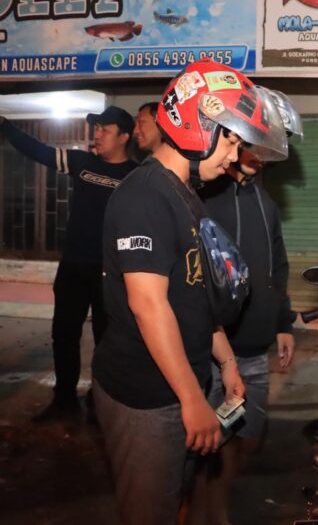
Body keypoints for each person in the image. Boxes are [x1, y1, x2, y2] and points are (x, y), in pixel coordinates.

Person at [91, 60, 289, 525]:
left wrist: (225, 361)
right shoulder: (144, 197)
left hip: (179, 385)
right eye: (233, 140)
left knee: (175, 499)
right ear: (202, 127)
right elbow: (148, 304)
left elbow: (194, 293)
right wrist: (192, 400)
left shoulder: (184, 193)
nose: (236, 155)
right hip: (147, 396)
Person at [191, 91, 303, 524]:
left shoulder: (266, 201)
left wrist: (283, 321)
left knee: (242, 439)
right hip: (211, 354)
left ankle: (215, 507)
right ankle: (202, 512)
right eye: (257, 142)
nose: (264, 153)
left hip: (253, 353)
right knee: (203, 444)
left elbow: (277, 264)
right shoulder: (200, 195)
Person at [0, 106, 138, 422]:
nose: (97, 134)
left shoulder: (136, 176)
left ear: (124, 136)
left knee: (107, 341)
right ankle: (63, 399)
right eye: (96, 128)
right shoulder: (81, 163)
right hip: (73, 267)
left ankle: (100, 400)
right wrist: (6, 127)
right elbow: (39, 152)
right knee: (64, 334)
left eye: (105, 129)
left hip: (110, 274)